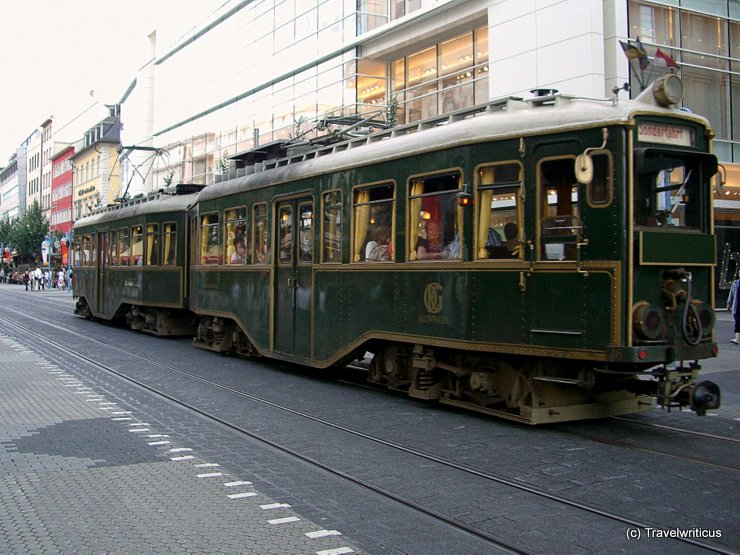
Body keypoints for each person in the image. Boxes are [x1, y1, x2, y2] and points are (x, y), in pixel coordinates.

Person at [727, 268, 740, 345]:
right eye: (739, 273)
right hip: (737, 307)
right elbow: (731, 294)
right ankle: (737, 339)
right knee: (737, 322)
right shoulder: (735, 283)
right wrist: (729, 303)